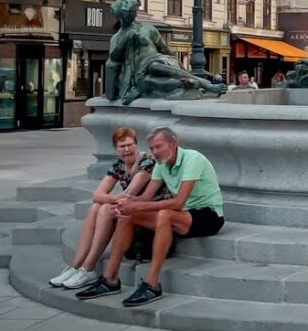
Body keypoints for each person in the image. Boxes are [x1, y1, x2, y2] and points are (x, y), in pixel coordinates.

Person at [77, 127, 225, 307]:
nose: (154, 152)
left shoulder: (192, 159)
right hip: (182, 214)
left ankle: (152, 284)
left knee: (164, 214)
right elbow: (146, 197)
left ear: (173, 143)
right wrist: (124, 205)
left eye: (158, 147)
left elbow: (178, 202)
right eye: (152, 148)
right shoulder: (161, 163)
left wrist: (139, 205)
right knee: (127, 215)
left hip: (207, 214)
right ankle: (110, 280)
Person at [49, 127, 165, 289]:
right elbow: (97, 195)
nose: (126, 150)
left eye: (130, 145)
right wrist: (113, 199)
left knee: (104, 209)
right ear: (115, 149)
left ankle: (88, 267)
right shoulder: (119, 164)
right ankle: (76, 266)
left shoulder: (146, 162)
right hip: (131, 208)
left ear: (136, 145)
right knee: (96, 207)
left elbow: (129, 194)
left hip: (148, 211)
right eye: (121, 146)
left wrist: (111, 200)